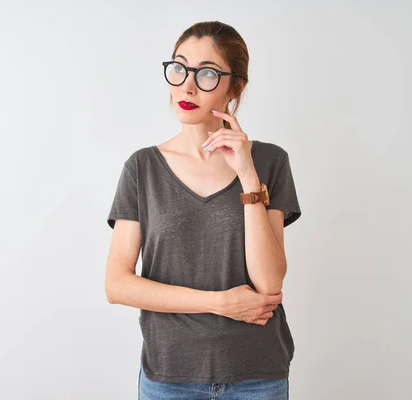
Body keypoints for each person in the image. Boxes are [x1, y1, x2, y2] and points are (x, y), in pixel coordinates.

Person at [105, 20, 302, 400]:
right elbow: (117, 284)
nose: (187, 86)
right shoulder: (142, 168)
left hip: (257, 375)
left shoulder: (269, 161)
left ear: (236, 86)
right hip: (170, 376)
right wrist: (219, 303)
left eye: (207, 73)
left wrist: (247, 176)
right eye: (179, 68)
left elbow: (270, 282)